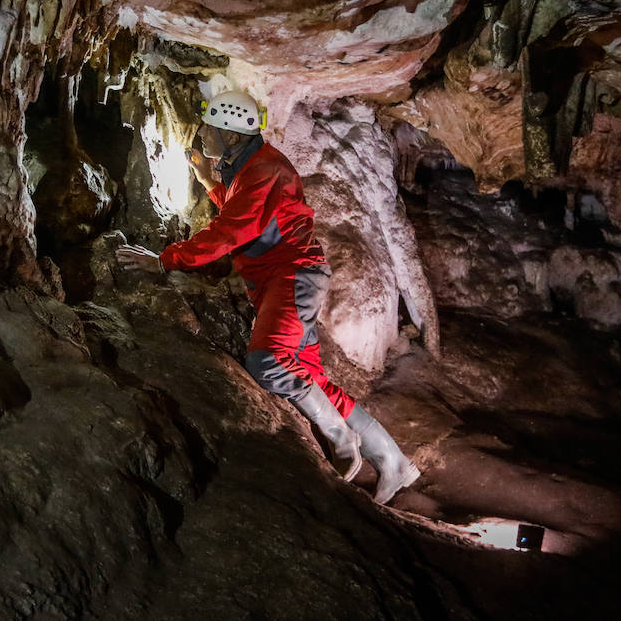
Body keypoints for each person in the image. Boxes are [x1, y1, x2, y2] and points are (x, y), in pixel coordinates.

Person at [116, 89, 421, 504]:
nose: (204, 133)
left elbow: (230, 231)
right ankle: (392, 460)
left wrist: (165, 260)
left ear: (234, 136)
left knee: (268, 362)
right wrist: (210, 184)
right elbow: (249, 213)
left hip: (291, 279)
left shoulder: (262, 170)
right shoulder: (252, 167)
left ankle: (343, 442)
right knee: (308, 376)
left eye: (211, 128)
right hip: (286, 281)